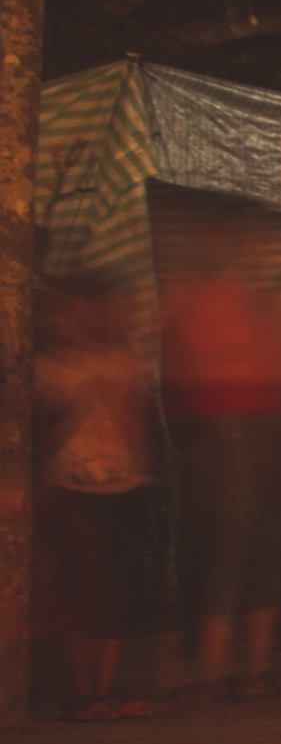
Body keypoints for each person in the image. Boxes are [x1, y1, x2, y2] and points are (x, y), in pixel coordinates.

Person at [159, 213, 281, 692]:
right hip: (226, 429)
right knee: (230, 544)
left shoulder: (258, 303)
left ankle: (253, 666)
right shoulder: (197, 302)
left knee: (262, 544)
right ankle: (217, 666)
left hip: (262, 427)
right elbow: (186, 371)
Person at [37, 284, 164, 717]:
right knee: (80, 588)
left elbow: (139, 429)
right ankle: (81, 692)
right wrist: (80, 407)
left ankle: (105, 689)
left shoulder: (122, 362)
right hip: (72, 488)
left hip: (123, 487)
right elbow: (41, 442)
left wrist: (123, 407)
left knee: (116, 590)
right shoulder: (42, 369)